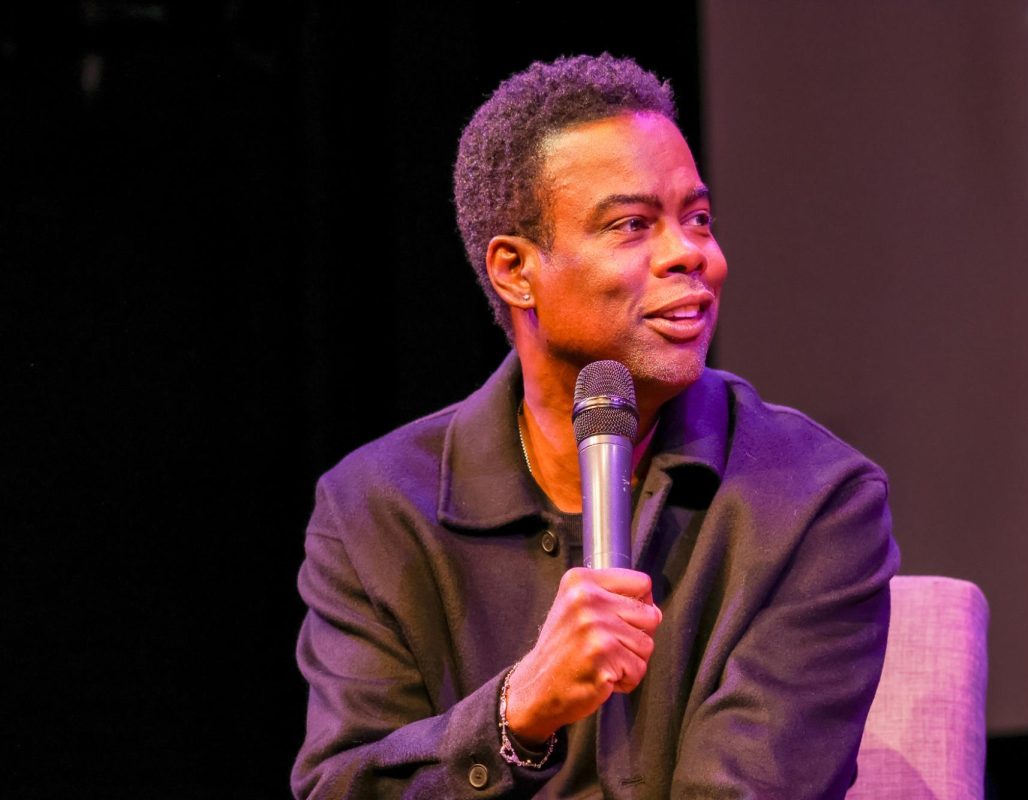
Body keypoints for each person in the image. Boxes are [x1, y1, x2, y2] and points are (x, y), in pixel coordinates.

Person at [292, 53, 899, 799]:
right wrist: (517, 713)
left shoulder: (815, 501)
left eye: (698, 219)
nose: (693, 256)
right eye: (633, 225)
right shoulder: (374, 511)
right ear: (516, 270)